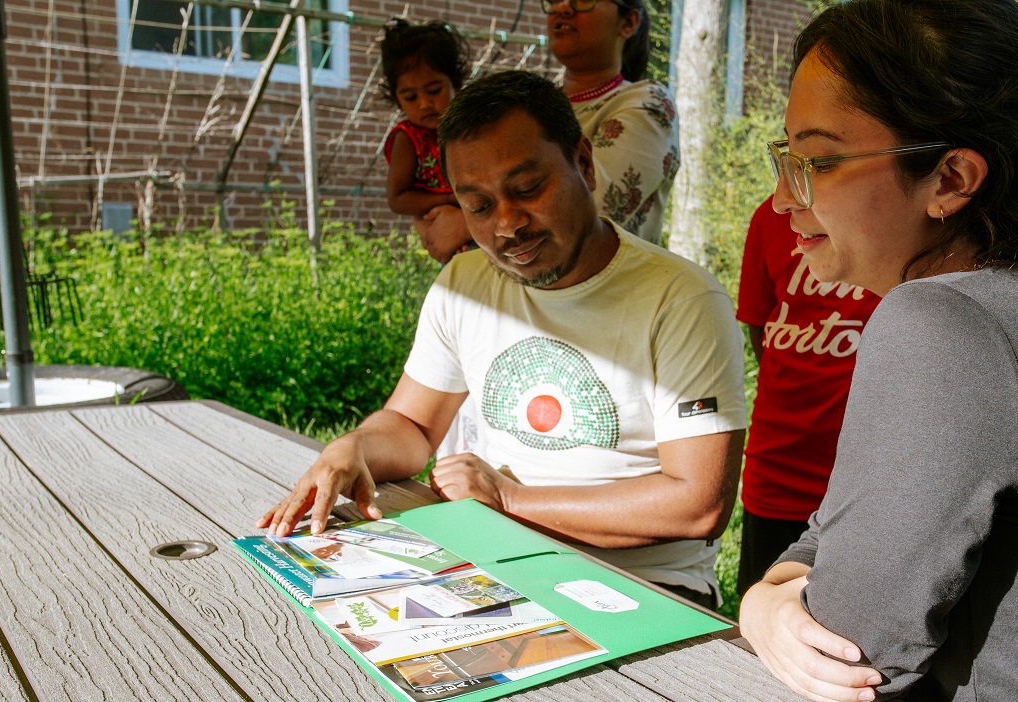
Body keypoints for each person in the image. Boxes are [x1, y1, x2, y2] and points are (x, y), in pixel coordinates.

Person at [738, 0, 1018, 700]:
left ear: (951, 179)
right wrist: (763, 602)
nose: (782, 199)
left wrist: (762, 604)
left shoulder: (944, 321)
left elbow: (852, 649)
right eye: (786, 156)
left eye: (818, 161)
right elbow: (833, 534)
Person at [259, 70, 747, 608]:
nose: (508, 224)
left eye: (527, 189)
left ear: (584, 163)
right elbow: (413, 424)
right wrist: (352, 448)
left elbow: (697, 504)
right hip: (493, 558)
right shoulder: (465, 284)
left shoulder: (681, 300)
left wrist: (508, 499)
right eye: (480, 206)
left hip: (644, 588)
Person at [734, 196, 879, 598]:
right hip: (777, 466)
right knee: (761, 614)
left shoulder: (887, 220)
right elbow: (759, 327)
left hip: (867, 480)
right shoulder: (772, 216)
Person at [543, 0, 679, 245]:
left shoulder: (647, 104)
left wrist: (459, 223)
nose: (563, 8)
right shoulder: (531, 107)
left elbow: (589, 215)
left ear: (628, 23)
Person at [380, 19, 472, 263]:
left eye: (434, 91)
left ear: (456, 83)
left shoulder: (471, 125)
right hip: (441, 228)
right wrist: (447, 200)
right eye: (410, 96)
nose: (424, 104)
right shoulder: (407, 138)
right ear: (396, 98)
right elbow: (397, 199)